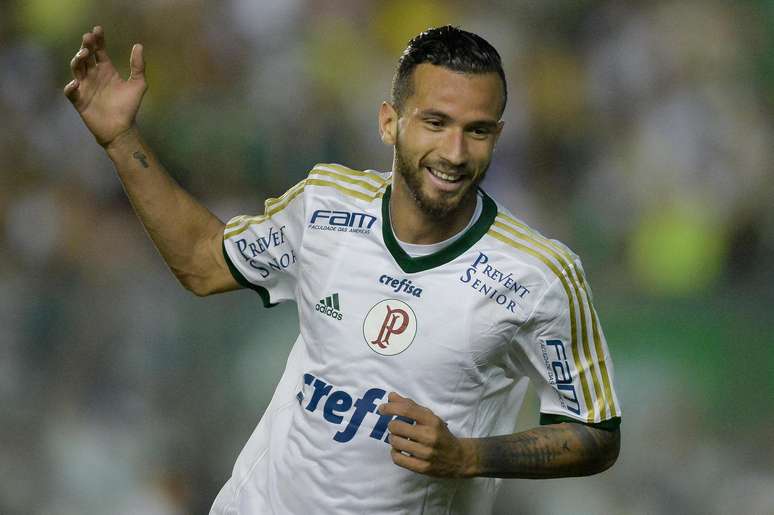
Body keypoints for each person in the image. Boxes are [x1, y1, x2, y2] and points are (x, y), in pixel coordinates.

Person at [65, 25, 621, 514]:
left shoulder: (539, 276)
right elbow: (202, 263)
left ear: (496, 137)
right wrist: (119, 139)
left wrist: (471, 456)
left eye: (476, 131)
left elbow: (595, 434)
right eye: (435, 122)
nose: (454, 151)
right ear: (390, 122)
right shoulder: (326, 206)